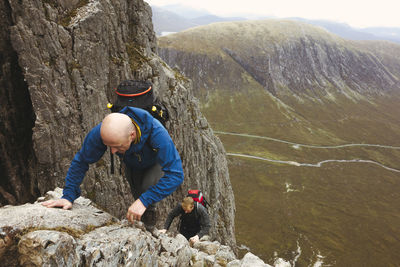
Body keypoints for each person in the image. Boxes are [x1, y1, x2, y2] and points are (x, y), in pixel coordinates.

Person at [42, 105, 184, 229]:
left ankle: (149, 225)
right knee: (138, 194)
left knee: (146, 190)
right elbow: (81, 161)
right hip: (132, 163)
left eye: (117, 146)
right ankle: (143, 224)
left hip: (154, 163)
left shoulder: (157, 134)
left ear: (132, 135)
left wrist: (144, 201)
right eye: (109, 146)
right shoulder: (103, 132)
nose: (112, 151)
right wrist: (68, 196)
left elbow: (176, 175)